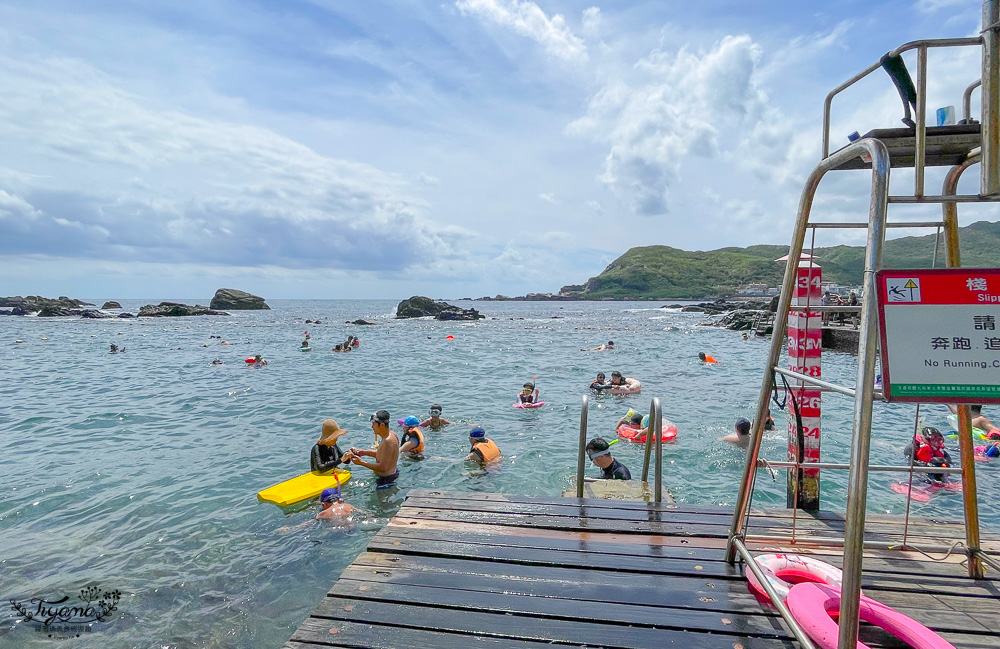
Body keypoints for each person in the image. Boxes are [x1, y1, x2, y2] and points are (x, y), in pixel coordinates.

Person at [344, 410, 400, 489]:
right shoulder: (390, 434)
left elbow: (382, 468)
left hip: (386, 480)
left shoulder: (388, 441)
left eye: (373, 424)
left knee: (381, 501)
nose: (372, 427)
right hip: (390, 475)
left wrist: (361, 463)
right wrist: (364, 452)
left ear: (382, 425)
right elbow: (384, 455)